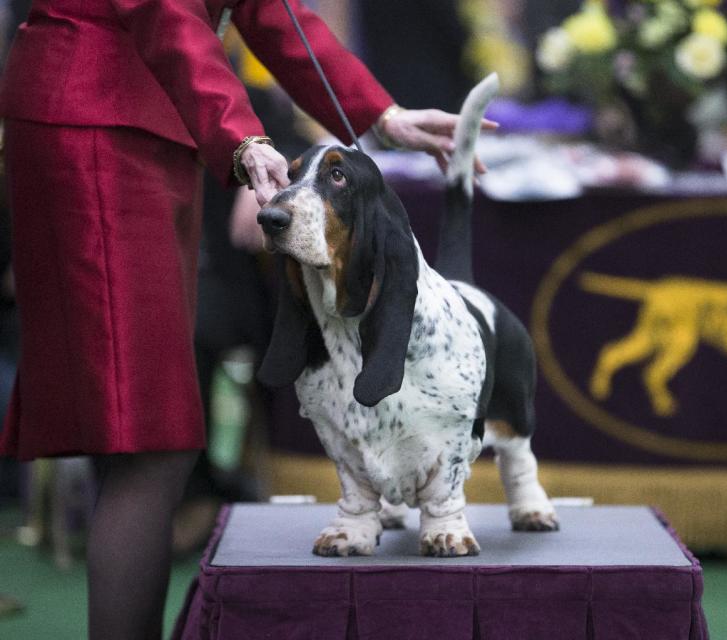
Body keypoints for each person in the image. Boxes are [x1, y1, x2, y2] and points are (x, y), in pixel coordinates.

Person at [0, 1, 493, 638]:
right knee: (150, 443)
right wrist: (243, 137)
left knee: (150, 439)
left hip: (139, 121)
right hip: (99, 119)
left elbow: (265, 8)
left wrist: (381, 114)